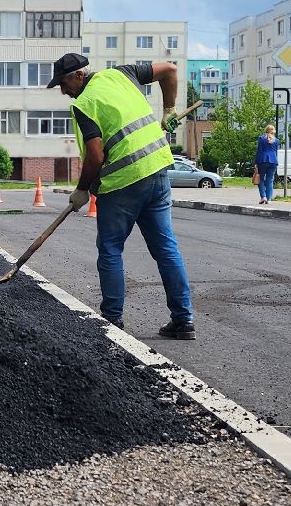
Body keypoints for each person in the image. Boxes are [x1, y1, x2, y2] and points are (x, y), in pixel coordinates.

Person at [48, 52, 195, 340]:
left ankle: (112, 320)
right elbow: (169, 70)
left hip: (122, 184)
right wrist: (169, 109)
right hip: (157, 171)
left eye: (64, 84)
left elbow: (95, 155)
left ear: (79, 75)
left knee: (111, 248)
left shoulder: (85, 104)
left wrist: (82, 189)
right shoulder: (122, 74)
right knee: (166, 247)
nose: (63, 91)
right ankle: (183, 319)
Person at [255, 123, 279, 204]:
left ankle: (263, 197)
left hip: (263, 160)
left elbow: (259, 151)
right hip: (273, 161)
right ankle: (269, 199)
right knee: (270, 180)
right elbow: (275, 152)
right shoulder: (276, 140)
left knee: (260, 179)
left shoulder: (261, 138)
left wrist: (255, 162)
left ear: (266, 130)